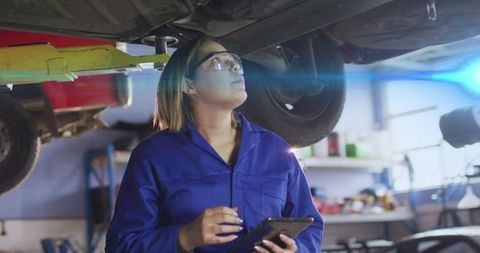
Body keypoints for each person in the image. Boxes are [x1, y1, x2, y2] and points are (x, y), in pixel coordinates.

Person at [105, 36, 324, 253]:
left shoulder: (276, 150)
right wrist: (184, 237)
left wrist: (295, 251)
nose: (236, 68)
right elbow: (121, 246)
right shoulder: (152, 156)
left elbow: (310, 226)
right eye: (218, 62)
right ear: (188, 84)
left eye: (235, 62)